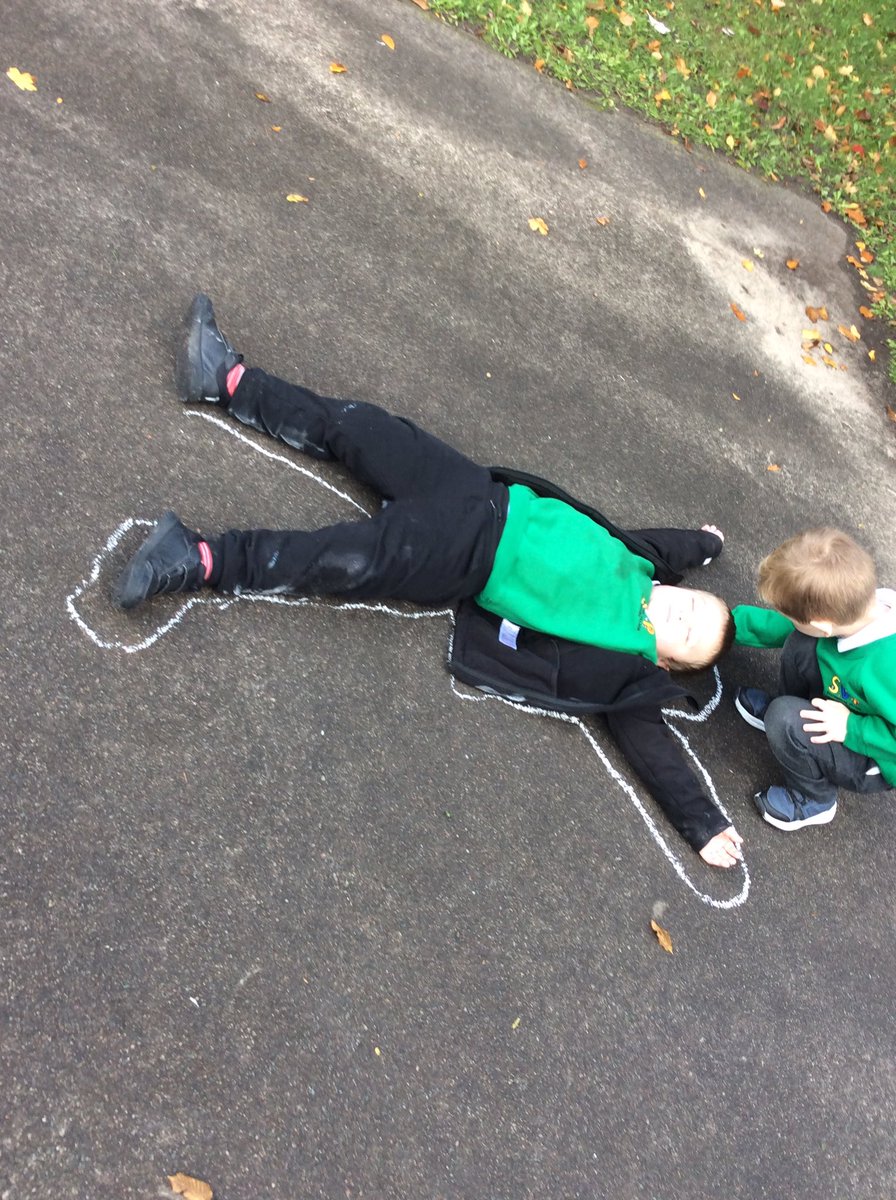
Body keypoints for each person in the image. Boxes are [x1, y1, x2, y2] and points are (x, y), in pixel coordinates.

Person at [116, 294, 743, 867]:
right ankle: (227, 380)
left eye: (684, 631)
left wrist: (703, 823)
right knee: (357, 427)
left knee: (333, 559)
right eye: (690, 603)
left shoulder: (626, 662)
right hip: (472, 489)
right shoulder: (640, 565)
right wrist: (707, 544)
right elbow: (670, 547)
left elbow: (652, 745)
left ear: (661, 660)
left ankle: (197, 559)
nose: (680, 610)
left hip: (458, 557)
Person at [733, 528, 896, 829]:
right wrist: (727, 624)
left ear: (822, 625)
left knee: (784, 718)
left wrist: (851, 727)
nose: (790, 621)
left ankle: (815, 800)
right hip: (848, 702)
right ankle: (788, 710)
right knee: (801, 644)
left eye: (794, 617)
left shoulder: (886, 669)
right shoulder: (857, 607)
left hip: (877, 754)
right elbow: (783, 628)